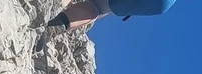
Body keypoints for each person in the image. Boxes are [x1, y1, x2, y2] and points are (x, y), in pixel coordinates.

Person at [44, 0, 179, 36]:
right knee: (96, 8)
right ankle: (60, 24)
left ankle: (54, 4)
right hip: (116, 5)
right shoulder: (167, 5)